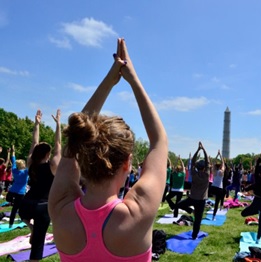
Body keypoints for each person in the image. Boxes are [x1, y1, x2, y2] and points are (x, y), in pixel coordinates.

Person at [48, 38, 168, 261]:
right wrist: (132, 79)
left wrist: (109, 81)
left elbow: (72, 143)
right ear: (127, 163)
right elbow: (159, 141)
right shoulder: (137, 215)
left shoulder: (60, 209)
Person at [18, 108, 61, 261]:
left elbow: (34, 142)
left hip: (26, 204)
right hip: (43, 207)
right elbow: (58, 143)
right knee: (38, 242)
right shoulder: (53, 165)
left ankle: (31, 227)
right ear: (48, 154)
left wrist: (37, 124)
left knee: (22, 214)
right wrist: (58, 125)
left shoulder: (31, 163)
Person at [176, 141, 209, 240]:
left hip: (193, 198)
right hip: (201, 200)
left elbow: (193, 161)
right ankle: (194, 236)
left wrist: (198, 149)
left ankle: (190, 210)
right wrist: (204, 150)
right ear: (204, 168)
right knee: (198, 220)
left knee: (178, 205)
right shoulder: (207, 175)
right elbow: (207, 162)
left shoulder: (194, 174)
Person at [241, 146, 261, 243]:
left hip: (258, 202)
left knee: (243, 213)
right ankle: (258, 239)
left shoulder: (257, 180)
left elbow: (257, 166)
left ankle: (256, 211)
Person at [6, 145, 29, 228]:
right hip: (20, 192)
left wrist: (13, 151)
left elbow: (13, 159)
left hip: (12, 191)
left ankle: (10, 224)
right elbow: (31, 163)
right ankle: (26, 220)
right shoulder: (25, 172)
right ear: (23, 165)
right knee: (22, 208)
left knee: (14, 208)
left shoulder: (14, 170)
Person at [210, 150, 225, 221]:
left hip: (213, 187)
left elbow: (213, 163)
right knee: (216, 203)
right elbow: (223, 163)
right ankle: (213, 216)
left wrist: (217, 155)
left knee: (204, 196)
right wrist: (221, 156)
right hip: (219, 188)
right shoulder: (221, 171)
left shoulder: (214, 171)